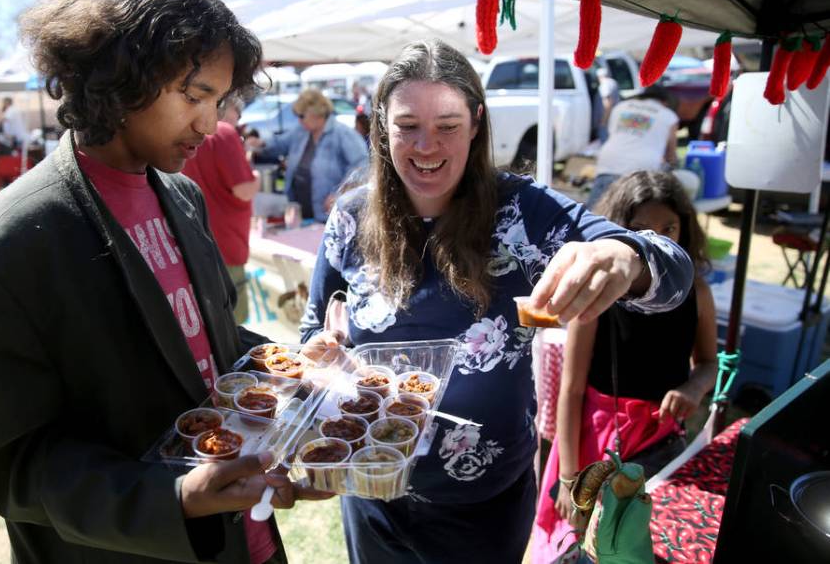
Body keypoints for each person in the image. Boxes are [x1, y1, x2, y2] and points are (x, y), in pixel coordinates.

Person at [0, 0, 328, 564]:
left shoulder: (182, 196)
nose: (209, 123)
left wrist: (295, 368)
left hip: (245, 540)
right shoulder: (9, 250)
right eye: (194, 95)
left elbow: (207, 343)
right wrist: (170, 497)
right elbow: (18, 468)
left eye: (219, 101)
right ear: (119, 79)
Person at [298, 40, 694, 564]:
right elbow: (314, 328)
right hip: (373, 487)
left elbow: (672, 272)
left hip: (482, 503)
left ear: (477, 123)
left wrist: (624, 256)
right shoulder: (350, 218)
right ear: (380, 126)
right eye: (407, 125)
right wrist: (321, 355)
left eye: (447, 125)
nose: (425, 145)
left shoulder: (521, 214)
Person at [532, 170, 718, 563]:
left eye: (669, 227)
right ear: (618, 232)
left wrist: (693, 388)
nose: (657, 240)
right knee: (584, 543)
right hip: (597, 442)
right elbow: (572, 389)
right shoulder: (601, 297)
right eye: (640, 229)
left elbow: (708, 363)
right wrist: (568, 478)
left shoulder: (697, 291)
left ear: (686, 228)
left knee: (636, 539)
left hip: (660, 441)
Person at [182, 102, 259, 324]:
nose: (239, 117)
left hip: (195, 242)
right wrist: (257, 178)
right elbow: (244, 190)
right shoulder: (223, 131)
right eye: (239, 111)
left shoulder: (187, 131)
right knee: (234, 325)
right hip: (226, 244)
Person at [248, 89, 367, 222]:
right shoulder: (301, 131)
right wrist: (260, 143)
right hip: (299, 212)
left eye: (301, 115)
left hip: (328, 216)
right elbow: (278, 144)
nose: (299, 120)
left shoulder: (343, 134)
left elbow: (362, 166)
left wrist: (341, 194)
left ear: (316, 113)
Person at [586, 85, 679, 208]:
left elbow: (614, 135)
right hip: (642, 169)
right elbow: (670, 156)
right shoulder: (669, 116)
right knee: (628, 217)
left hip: (608, 162)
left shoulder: (621, 106)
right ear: (664, 102)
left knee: (595, 212)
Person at [596, 67, 620, 143]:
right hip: (614, 117)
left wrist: (604, 120)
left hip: (606, 119)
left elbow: (608, 103)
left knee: (605, 142)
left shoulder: (604, 84)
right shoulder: (613, 82)